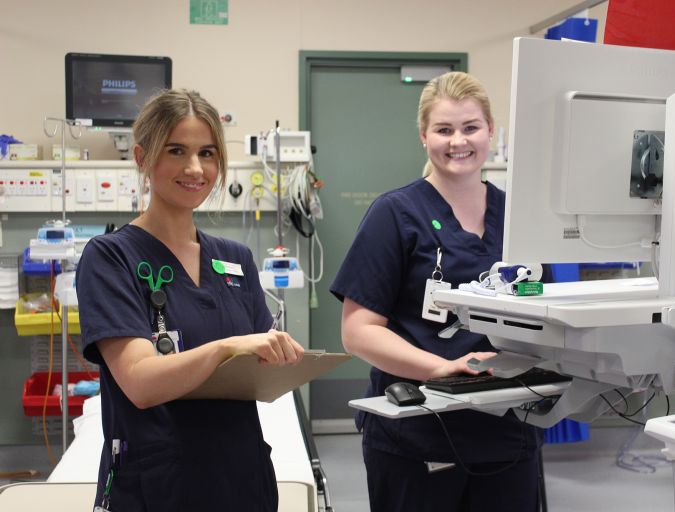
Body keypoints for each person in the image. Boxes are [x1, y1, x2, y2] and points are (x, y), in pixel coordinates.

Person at [76, 89, 304, 511]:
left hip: (241, 477)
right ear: (142, 158)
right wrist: (228, 348)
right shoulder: (110, 258)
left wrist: (285, 357)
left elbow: (257, 371)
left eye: (208, 153)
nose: (195, 168)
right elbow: (141, 383)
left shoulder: (235, 259)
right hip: (158, 484)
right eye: (176, 150)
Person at [330, 72, 545, 511]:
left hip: (508, 429)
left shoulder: (518, 215)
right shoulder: (395, 214)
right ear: (424, 135)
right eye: (444, 130)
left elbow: (546, 313)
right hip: (419, 431)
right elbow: (358, 331)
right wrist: (442, 368)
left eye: (470, 127)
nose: (458, 141)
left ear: (490, 131)